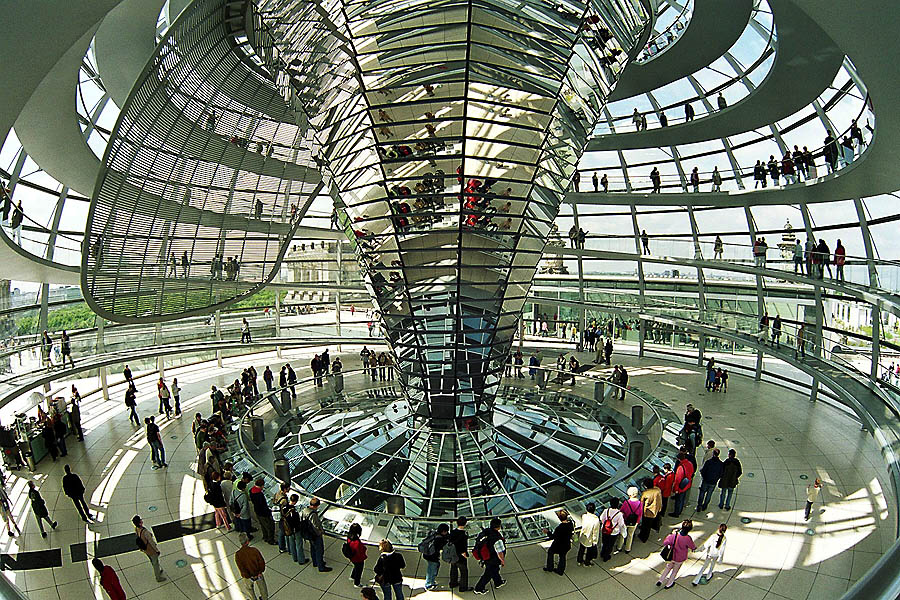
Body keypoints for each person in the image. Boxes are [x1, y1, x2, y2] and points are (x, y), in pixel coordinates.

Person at [657, 520, 696, 589]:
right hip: (680, 558)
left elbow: (665, 542)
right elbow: (692, 546)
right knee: (675, 571)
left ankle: (660, 580)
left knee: (668, 567)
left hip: (671, 556)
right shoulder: (688, 538)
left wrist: (670, 534)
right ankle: (669, 584)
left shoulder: (674, 536)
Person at [472, 518, 506, 594]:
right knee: (488, 574)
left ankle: (498, 582)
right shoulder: (497, 538)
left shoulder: (485, 532)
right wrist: (502, 561)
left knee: (495, 570)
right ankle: (478, 588)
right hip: (493, 559)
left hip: (486, 557)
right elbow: (500, 552)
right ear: (498, 527)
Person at [235, 532, 269, 600]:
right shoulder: (254, 550)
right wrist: (259, 572)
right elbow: (261, 562)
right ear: (248, 541)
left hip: (248, 576)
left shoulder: (238, 554)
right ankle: (264, 598)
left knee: (249, 588)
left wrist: (247, 575)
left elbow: (241, 568)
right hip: (258, 574)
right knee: (262, 588)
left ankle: (253, 598)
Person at [302, 497, 332, 571]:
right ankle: (321, 566)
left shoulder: (305, 510)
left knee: (313, 548)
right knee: (319, 550)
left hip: (309, 534)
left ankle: (315, 562)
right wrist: (320, 532)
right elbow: (315, 526)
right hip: (315, 535)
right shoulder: (313, 514)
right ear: (316, 506)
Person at [133, 515, 166, 582]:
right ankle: (158, 577)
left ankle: (158, 572)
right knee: (155, 563)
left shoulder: (136, 529)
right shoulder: (145, 532)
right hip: (151, 550)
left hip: (145, 549)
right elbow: (151, 542)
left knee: (152, 561)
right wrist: (157, 550)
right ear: (140, 522)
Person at [543, 509, 574, 575]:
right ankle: (560, 571)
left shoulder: (560, 528)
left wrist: (547, 532)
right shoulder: (570, 524)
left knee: (550, 552)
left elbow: (553, 537)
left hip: (558, 545)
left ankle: (550, 568)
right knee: (562, 557)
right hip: (566, 545)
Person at [421, 522, 450, 590]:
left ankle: (431, 582)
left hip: (427, 554)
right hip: (432, 557)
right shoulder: (439, 539)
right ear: (443, 532)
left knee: (430, 569)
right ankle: (429, 584)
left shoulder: (433, 534)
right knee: (432, 570)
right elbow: (442, 547)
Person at [250, 478, 276, 545]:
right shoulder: (259, 494)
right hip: (264, 513)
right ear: (261, 485)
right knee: (270, 526)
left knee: (263, 525)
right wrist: (269, 513)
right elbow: (263, 505)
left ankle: (265, 537)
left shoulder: (251, 490)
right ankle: (271, 540)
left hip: (257, 511)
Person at [448, 516, 470, 591]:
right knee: (464, 571)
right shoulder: (464, 535)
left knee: (453, 569)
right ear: (465, 523)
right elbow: (463, 546)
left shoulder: (452, 532)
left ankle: (453, 583)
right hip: (460, 556)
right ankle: (463, 587)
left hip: (453, 555)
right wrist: (464, 553)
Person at [637, 478, 663, 542]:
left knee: (646, 525)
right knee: (648, 525)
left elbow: (641, 502)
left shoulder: (645, 493)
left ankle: (643, 537)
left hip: (648, 512)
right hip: (655, 510)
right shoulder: (657, 490)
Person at [669, 452, 694, 517]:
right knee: (682, 498)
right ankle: (680, 510)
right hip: (686, 484)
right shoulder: (690, 463)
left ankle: (676, 513)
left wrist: (676, 489)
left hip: (681, 487)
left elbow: (678, 480)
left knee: (678, 500)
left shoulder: (680, 467)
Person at [345, 522, 368, 587]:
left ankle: (352, 576)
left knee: (356, 567)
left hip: (352, 557)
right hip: (358, 558)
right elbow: (360, 551)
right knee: (359, 570)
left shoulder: (349, 537)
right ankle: (357, 583)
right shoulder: (357, 542)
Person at [621, 487, 643, 552]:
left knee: (622, 534)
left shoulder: (626, 503)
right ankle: (627, 548)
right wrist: (637, 522)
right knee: (630, 535)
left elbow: (621, 511)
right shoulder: (640, 504)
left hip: (625, 521)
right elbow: (640, 514)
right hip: (634, 522)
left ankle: (619, 547)